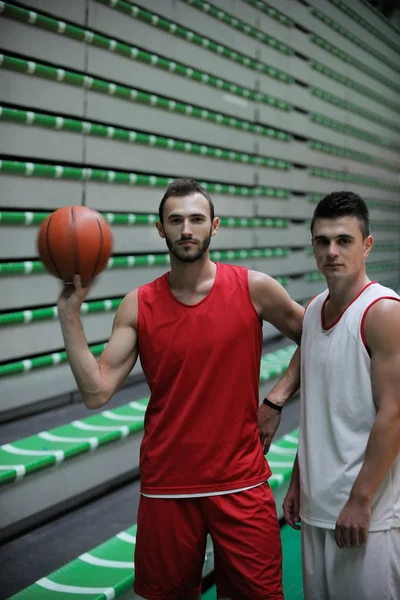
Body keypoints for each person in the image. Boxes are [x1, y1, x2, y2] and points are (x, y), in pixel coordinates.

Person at [57, 178, 303, 600]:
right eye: (176, 220)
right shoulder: (138, 303)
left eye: (196, 219)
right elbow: (96, 391)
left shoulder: (254, 287)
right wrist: (69, 316)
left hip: (240, 482)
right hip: (167, 487)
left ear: (214, 226)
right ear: (160, 229)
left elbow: (318, 337)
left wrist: (276, 399)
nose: (186, 229)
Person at [282, 191, 400, 600]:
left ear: (366, 245)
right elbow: (317, 407)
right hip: (318, 508)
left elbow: (395, 414)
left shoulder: (383, 313)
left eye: (344, 240)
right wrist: (299, 480)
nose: (332, 251)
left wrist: (360, 498)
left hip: (366, 513)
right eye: (322, 241)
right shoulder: (314, 309)